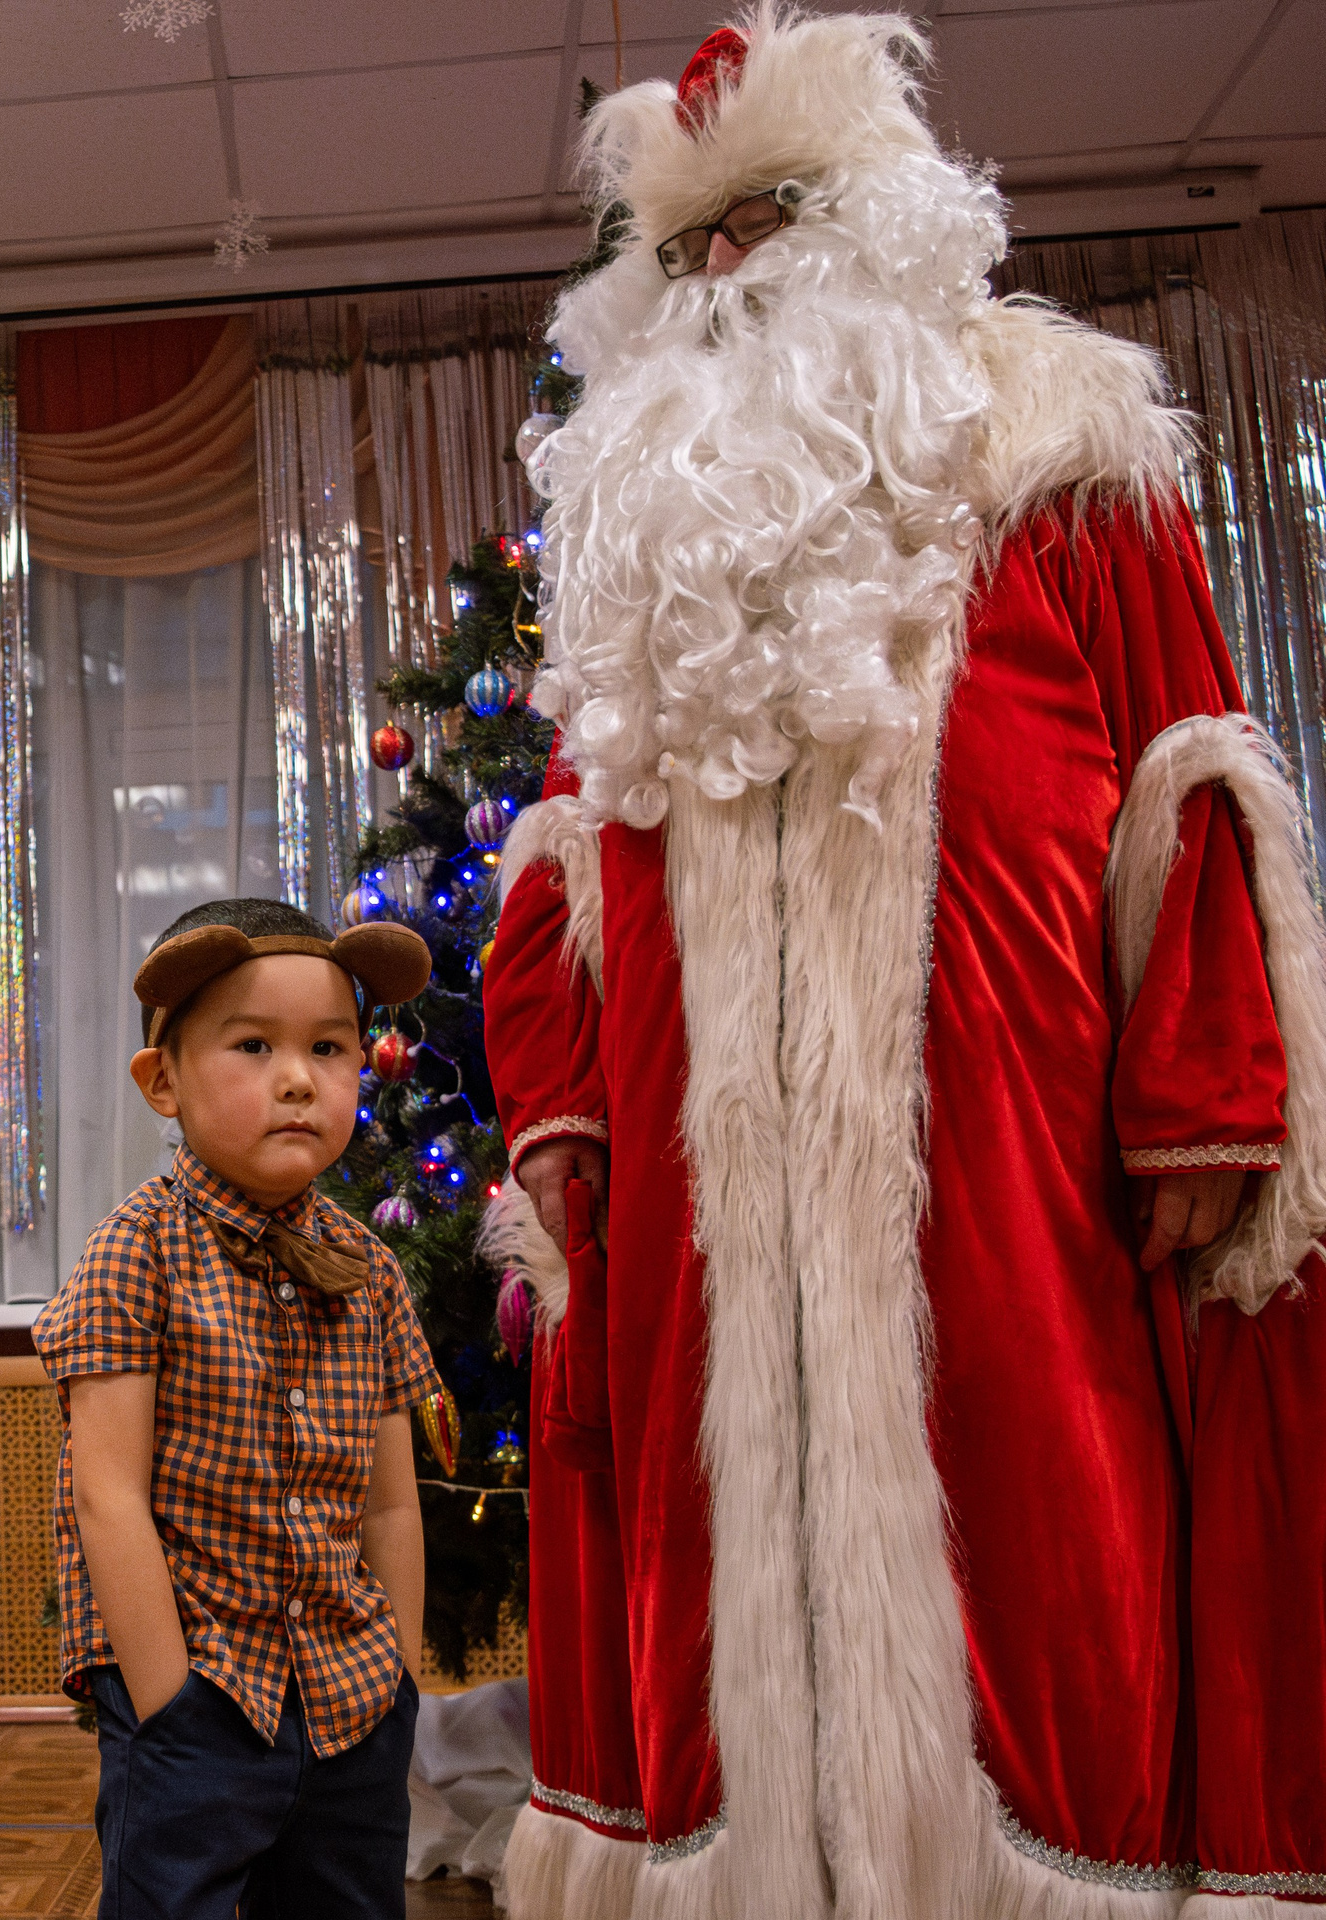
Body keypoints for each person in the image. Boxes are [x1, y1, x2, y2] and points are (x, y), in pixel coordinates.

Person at [484, 9, 1326, 1916]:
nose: (723, 273)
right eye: (685, 244)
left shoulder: (1066, 472)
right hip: (703, 1211)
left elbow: (1195, 780)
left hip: (1015, 1188)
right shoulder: (640, 551)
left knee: (1050, 1580)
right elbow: (556, 867)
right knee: (716, 1610)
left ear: (880, 224)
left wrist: (1203, 1099)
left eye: (766, 219)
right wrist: (552, 1114)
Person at [34, 898, 443, 1920]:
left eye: (330, 1047)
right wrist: (169, 1698)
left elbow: (391, 1506)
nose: (299, 1078)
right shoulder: (134, 1253)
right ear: (162, 1081)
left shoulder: (369, 1268)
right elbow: (109, 1500)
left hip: (351, 1698)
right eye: (253, 1046)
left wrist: (395, 1680)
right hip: (204, 1694)